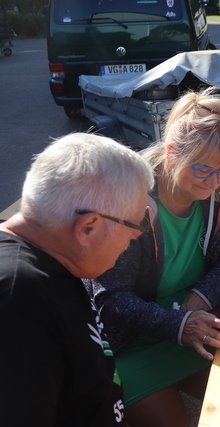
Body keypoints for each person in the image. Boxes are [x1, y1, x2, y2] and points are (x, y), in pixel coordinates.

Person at [86, 87, 220, 427]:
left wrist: (203, 293)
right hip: (130, 344)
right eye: (203, 170)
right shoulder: (129, 200)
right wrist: (177, 325)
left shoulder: (217, 193)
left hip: (195, 326)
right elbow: (109, 298)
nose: (215, 182)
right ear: (171, 153)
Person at [0, 133, 154, 426]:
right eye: (135, 224)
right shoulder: (17, 297)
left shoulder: (56, 261)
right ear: (87, 228)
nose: (137, 234)